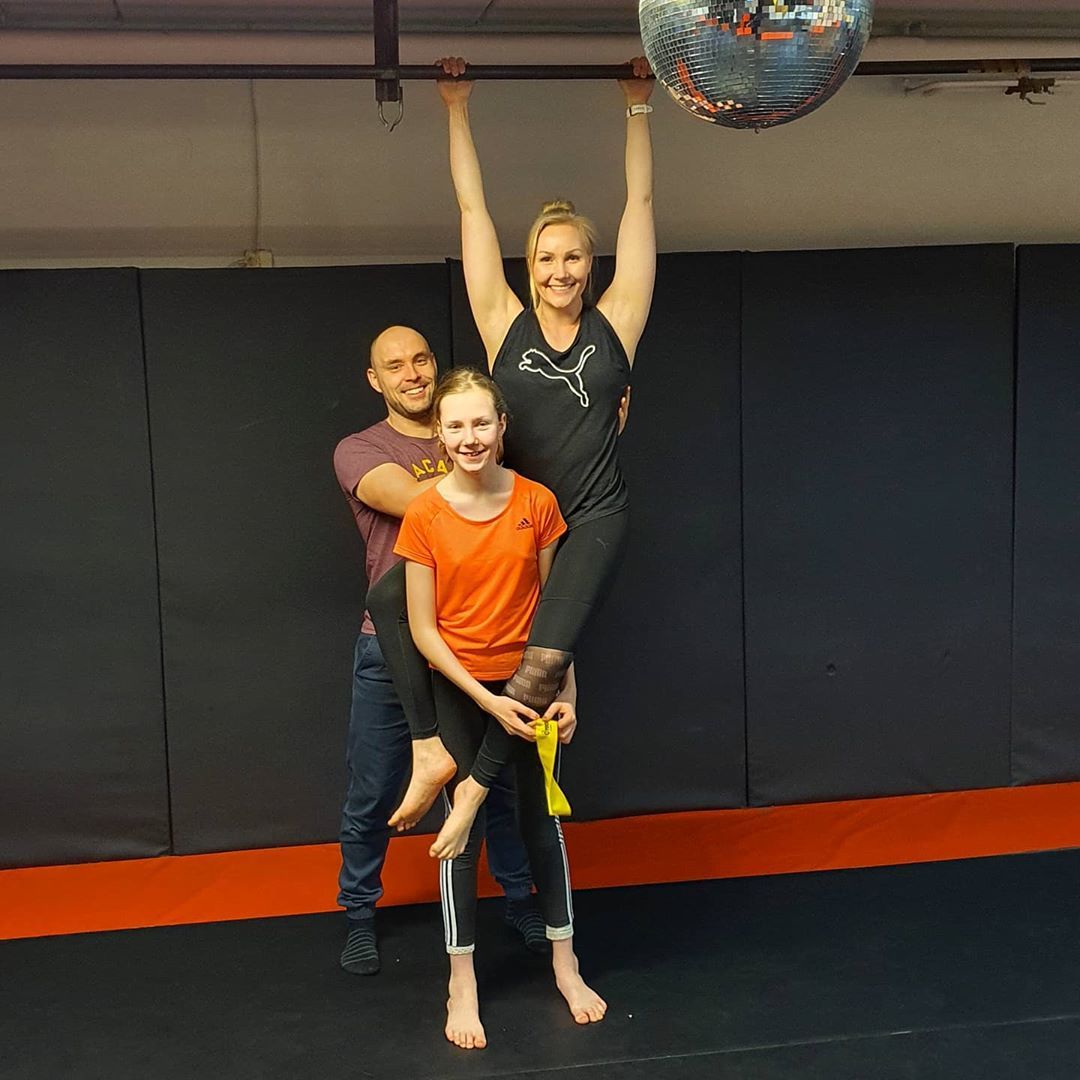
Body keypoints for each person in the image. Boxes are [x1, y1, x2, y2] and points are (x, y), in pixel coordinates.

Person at [379, 56, 657, 855]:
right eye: (546, 258)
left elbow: (640, 206)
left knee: (540, 658)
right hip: (519, 517)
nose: (560, 270)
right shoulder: (505, 325)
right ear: (529, 268)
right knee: (389, 599)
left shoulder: (618, 322)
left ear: (589, 266)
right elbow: (472, 208)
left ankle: (473, 789)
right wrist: (455, 106)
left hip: (591, 517)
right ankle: (429, 748)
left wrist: (638, 107)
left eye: (573, 257)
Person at [394, 366, 605, 1049]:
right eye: (456, 425)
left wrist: (566, 692)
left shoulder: (537, 502)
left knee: (543, 825)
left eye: (481, 422)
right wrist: (487, 697)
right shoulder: (425, 513)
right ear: (439, 433)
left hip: (532, 683)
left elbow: (555, 614)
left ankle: (566, 965)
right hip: (463, 688)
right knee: (463, 833)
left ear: (502, 426)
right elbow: (422, 629)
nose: (470, 437)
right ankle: (462, 981)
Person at [333, 324, 549, 977]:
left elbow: (530, 505)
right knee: (374, 786)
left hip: (476, 646)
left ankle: (520, 900)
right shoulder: (362, 450)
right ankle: (358, 914)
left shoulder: (468, 432)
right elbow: (423, 502)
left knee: (498, 786)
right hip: (394, 646)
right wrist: (482, 464)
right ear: (375, 380)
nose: (412, 373)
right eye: (394, 365)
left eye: (421, 359)